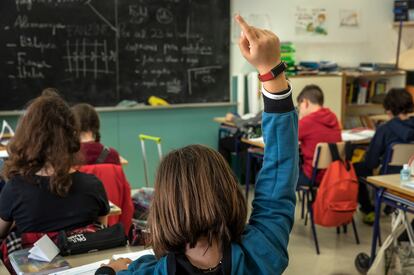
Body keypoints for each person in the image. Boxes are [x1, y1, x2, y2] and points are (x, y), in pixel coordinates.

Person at [95, 15, 298, 275]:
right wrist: (271, 69)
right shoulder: (261, 254)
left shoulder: (146, 271)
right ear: (231, 195)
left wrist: (109, 271)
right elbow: (279, 176)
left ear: (163, 211)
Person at [0, 94, 110, 238]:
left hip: (32, 260)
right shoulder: (93, 186)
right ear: (72, 136)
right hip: (85, 260)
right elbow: (102, 231)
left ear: (28, 137)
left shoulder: (15, 189)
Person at [355, 88, 414, 224]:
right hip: (410, 179)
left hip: (389, 181)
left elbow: (371, 163)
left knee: (357, 169)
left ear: (388, 110)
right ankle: (389, 208)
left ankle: (368, 209)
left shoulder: (384, 129)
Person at [296, 85, 342, 186]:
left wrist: (300, 119)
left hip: (313, 176)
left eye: (300, 106)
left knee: (276, 176)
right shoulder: (333, 116)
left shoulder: (306, 122)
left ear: (305, 102)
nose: (300, 110)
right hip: (334, 174)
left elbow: (286, 139)